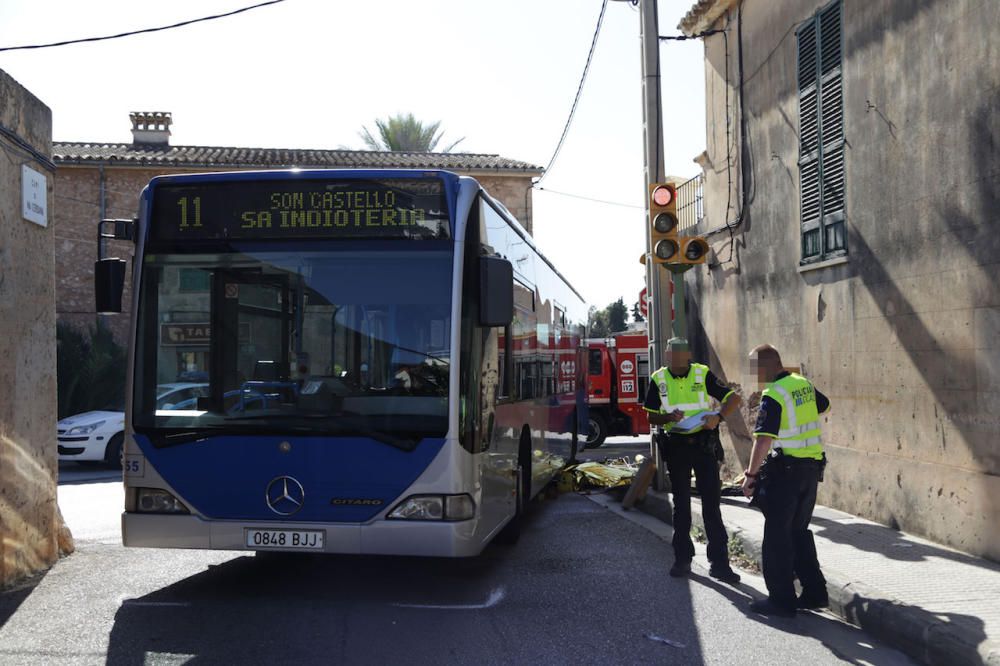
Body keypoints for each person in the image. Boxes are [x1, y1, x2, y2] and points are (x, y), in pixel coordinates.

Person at [741, 344, 830, 618]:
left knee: (778, 538)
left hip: (788, 474)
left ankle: (781, 600)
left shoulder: (774, 393)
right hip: (811, 471)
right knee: (798, 533)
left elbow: (764, 438)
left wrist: (751, 475)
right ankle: (815, 593)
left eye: (755, 369)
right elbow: (823, 405)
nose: (754, 376)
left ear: (767, 367)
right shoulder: (801, 382)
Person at [644, 337, 742, 584]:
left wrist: (718, 417)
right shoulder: (658, 379)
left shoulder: (702, 373)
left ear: (687, 355)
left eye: (679, 353)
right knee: (682, 506)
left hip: (703, 446)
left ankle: (719, 564)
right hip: (677, 447)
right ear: (667, 356)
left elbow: (733, 398)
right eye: (671, 353)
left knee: (712, 505)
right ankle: (683, 559)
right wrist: (667, 416)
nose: (675, 358)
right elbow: (650, 416)